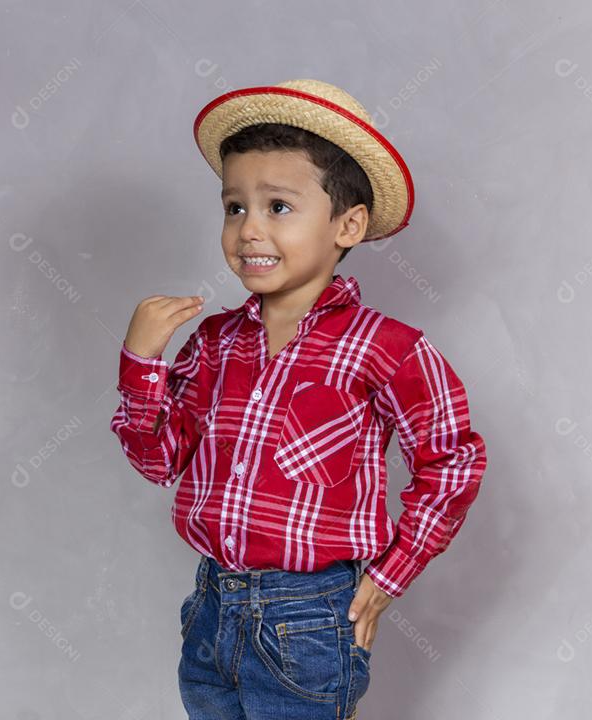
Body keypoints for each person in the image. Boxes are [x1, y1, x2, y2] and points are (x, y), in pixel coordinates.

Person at [108, 79, 487, 719]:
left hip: (309, 619)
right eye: (234, 208)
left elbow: (452, 461)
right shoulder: (216, 342)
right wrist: (141, 364)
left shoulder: (385, 347)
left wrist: (386, 578)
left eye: (278, 207)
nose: (249, 229)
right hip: (211, 606)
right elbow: (158, 461)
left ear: (348, 224)